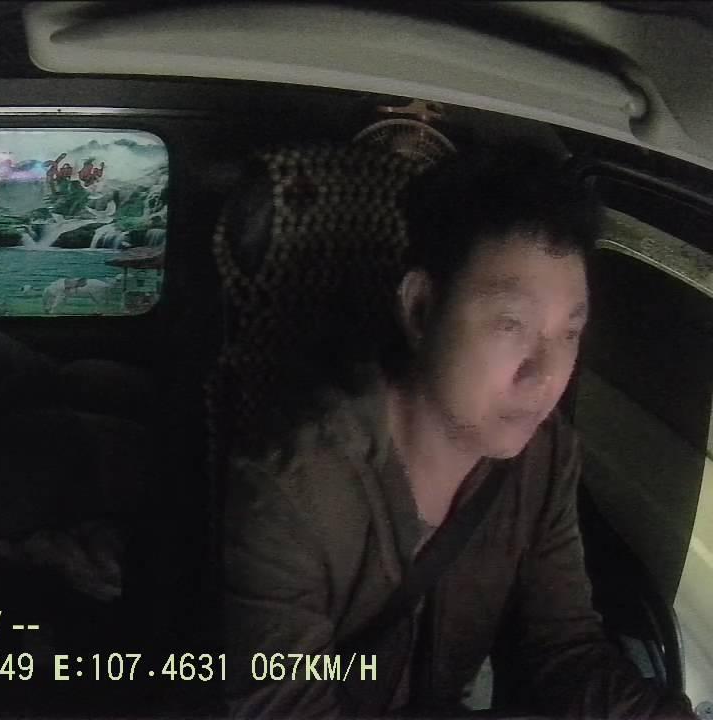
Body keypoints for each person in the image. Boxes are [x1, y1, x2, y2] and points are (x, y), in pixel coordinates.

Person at [221, 142, 697, 718]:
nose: (545, 375)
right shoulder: (294, 490)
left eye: (569, 334)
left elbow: (565, 651)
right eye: (510, 324)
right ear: (421, 309)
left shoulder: (545, 459)